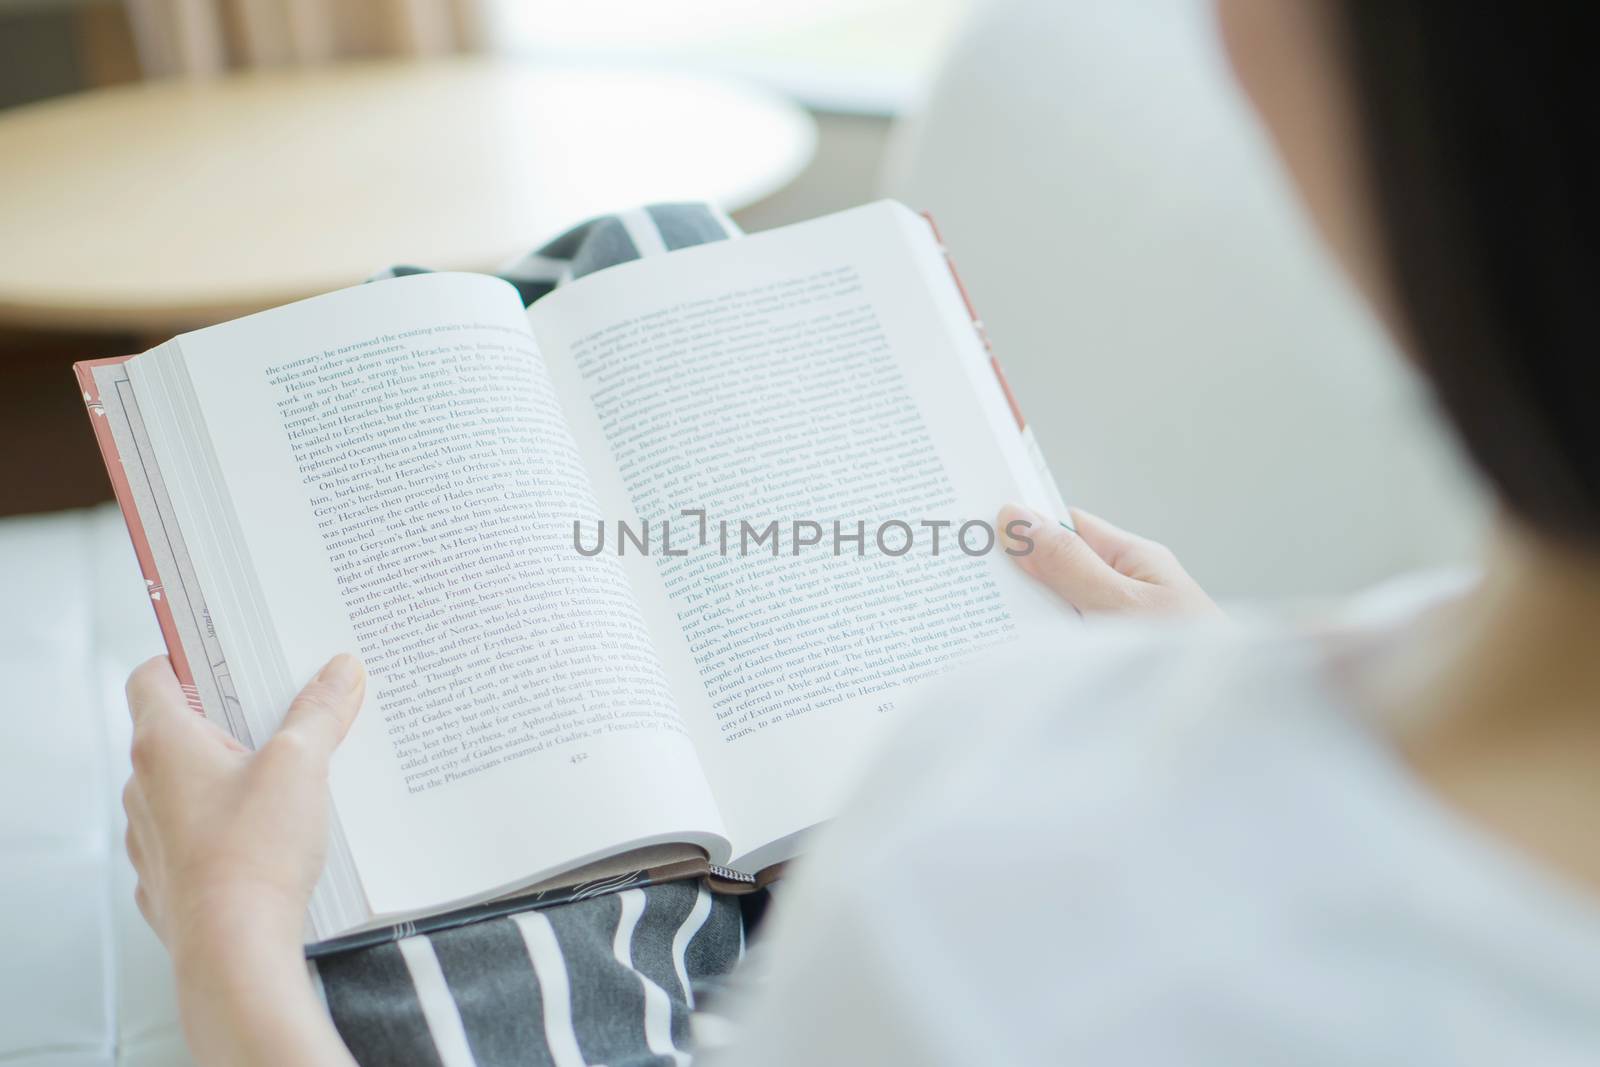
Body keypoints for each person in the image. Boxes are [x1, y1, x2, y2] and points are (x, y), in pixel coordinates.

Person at [120, 2, 1600, 1063]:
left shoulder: (997, 863)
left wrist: (231, 942)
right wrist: (1258, 685)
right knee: (645, 255)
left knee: (585, 283)